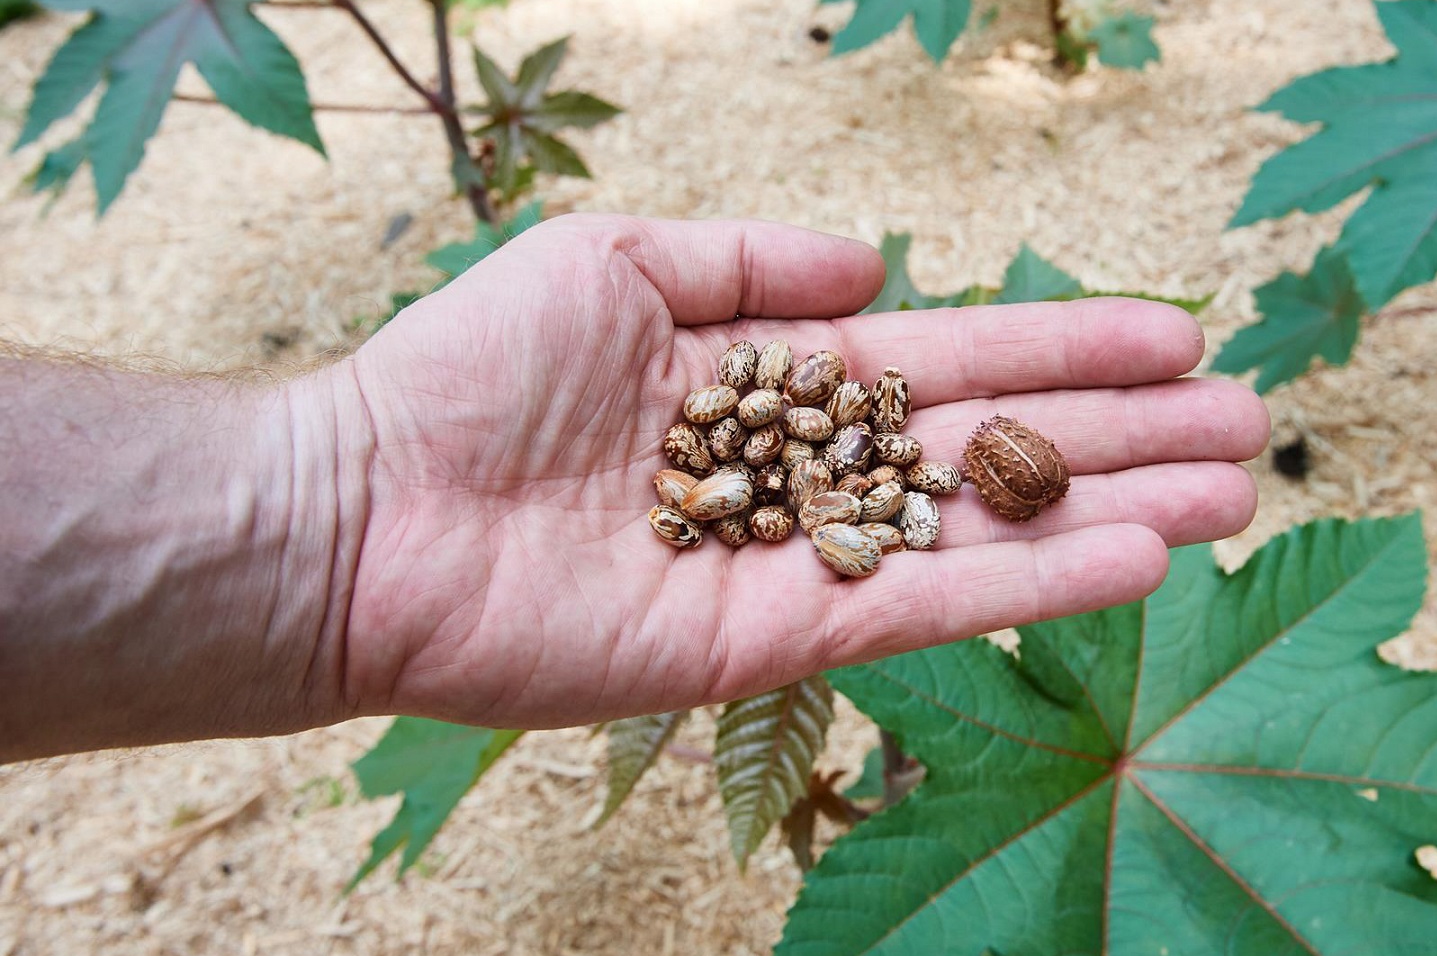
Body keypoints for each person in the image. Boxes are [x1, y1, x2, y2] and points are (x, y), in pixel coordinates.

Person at [0, 215, 1268, 765]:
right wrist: (346, 486)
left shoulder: (843, 463)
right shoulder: (783, 459)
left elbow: (825, 481)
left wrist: (334, 500)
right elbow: (790, 479)